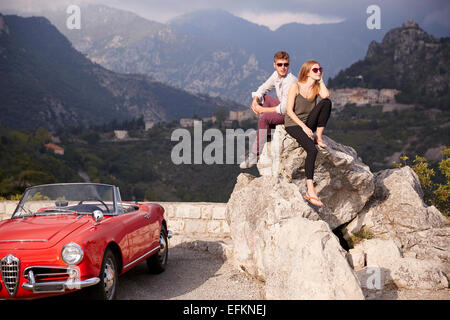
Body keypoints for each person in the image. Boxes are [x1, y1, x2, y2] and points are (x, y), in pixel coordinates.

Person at [284, 60, 332, 207]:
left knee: (327, 102)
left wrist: (321, 79)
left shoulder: (317, 88)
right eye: (315, 70)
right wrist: (303, 127)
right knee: (312, 150)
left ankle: (319, 135)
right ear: (307, 72)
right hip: (294, 124)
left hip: (309, 123)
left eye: (320, 69)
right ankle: (311, 191)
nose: (318, 72)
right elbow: (289, 111)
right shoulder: (296, 86)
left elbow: (325, 95)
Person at [239, 51, 297, 169]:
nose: (283, 67)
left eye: (286, 64)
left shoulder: (290, 81)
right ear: (274, 65)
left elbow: (285, 108)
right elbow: (263, 88)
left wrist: (263, 111)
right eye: (280, 64)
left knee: (264, 117)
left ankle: (255, 154)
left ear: (288, 65)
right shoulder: (276, 75)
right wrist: (255, 101)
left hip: (291, 114)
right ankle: (267, 132)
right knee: (262, 98)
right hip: (283, 109)